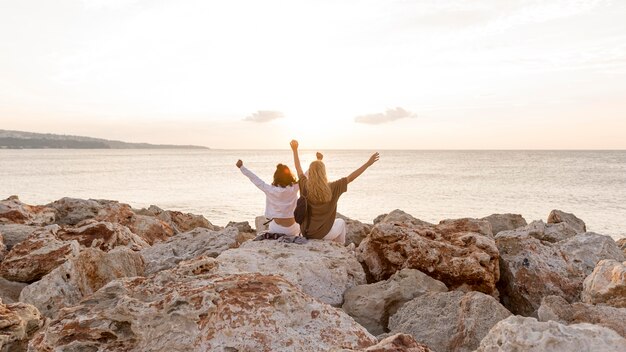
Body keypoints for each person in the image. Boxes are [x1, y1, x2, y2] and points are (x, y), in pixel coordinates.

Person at [290, 140, 379, 244]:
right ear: (324, 172)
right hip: (323, 234)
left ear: (310, 172)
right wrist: (368, 164)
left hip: (306, 232)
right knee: (340, 223)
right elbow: (351, 177)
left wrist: (295, 150)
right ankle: (340, 248)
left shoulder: (305, 185)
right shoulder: (333, 187)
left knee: (338, 223)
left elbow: (298, 169)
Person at [236, 159, 301, 236]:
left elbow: (255, 179)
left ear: (276, 177)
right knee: (297, 225)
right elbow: (306, 175)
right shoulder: (294, 188)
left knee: (271, 224)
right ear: (290, 176)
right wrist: (318, 160)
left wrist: (242, 167)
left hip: (277, 229)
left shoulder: (270, 190)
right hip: (292, 230)